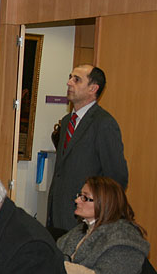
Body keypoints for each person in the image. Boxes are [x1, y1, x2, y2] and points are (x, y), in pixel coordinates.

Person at [58, 176, 149, 274]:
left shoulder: (124, 238)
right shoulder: (79, 231)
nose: (77, 200)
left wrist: (60, 266)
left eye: (85, 197)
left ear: (105, 203)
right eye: (79, 195)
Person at [48, 65, 128, 231]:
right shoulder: (67, 121)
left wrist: (99, 216)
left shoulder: (104, 123)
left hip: (86, 221)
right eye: (70, 77)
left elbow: (117, 177)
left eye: (77, 80)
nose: (69, 83)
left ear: (93, 88)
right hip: (58, 215)